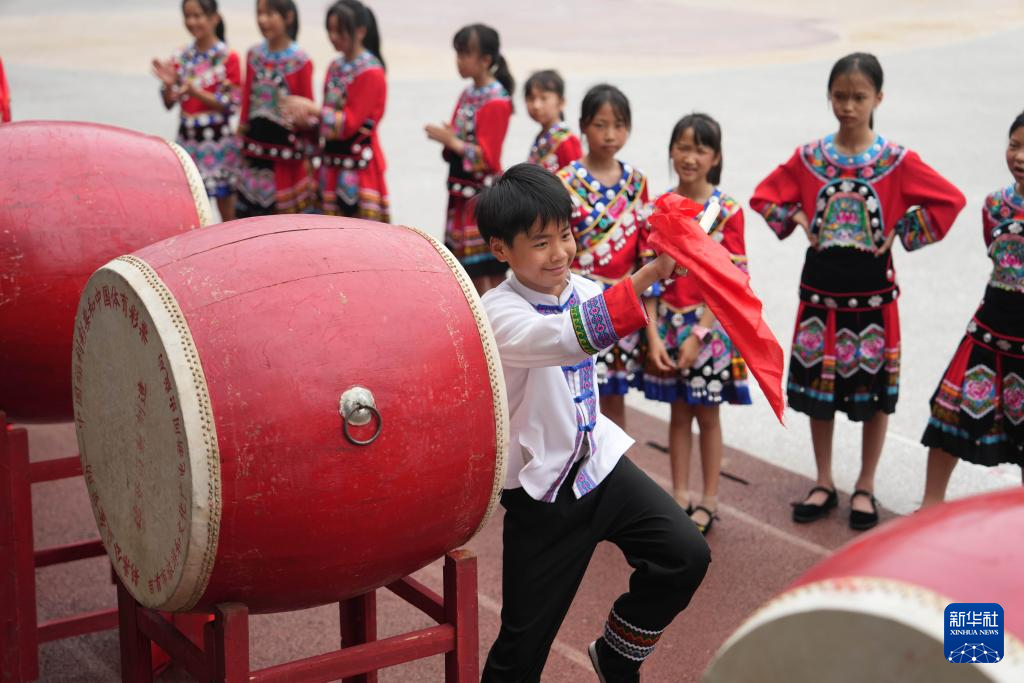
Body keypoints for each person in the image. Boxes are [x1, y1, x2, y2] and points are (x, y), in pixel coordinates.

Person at [477, 163, 710, 683]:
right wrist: (648, 277)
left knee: (685, 554)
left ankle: (617, 654)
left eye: (565, 235)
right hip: (542, 493)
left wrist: (673, 261)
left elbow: (609, 303)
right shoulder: (497, 312)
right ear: (501, 249)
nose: (560, 253)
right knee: (521, 650)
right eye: (541, 243)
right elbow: (566, 337)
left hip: (598, 467)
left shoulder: (579, 287)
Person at [750, 52, 966, 530]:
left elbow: (951, 200)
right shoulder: (809, 158)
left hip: (874, 296)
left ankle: (865, 484)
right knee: (818, 390)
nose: (848, 106)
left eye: (858, 97)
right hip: (820, 293)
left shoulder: (896, 161)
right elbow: (763, 196)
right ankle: (824, 479)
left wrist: (903, 230)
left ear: (878, 99)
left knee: (874, 394)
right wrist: (797, 217)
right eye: (840, 96)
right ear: (829, 96)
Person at [636, 113, 750, 534]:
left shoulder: (727, 211)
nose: (690, 157)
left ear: (715, 157)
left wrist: (699, 335)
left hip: (709, 330)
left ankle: (709, 500)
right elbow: (648, 277)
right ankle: (679, 496)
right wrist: (652, 334)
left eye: (700, 149)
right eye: (683, 147)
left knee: (708, 415)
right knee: (678, 414)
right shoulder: (660, 207)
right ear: (671, 150)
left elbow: (732, 280)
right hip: (666, 324)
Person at [920, 111, 1024, 507]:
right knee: (949, 416)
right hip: (989, 328)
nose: (1020, 157)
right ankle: (931, 505)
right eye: (1014, 145)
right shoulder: (996, 205)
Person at [557, 84, 651, 430]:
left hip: (622, 300)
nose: (610, 134)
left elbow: (646, 249)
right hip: (578, 301)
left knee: (614, 394)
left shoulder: (637, 183)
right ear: (583, 125)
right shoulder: (564, 181)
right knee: (573, 392)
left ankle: (613, 459)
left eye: (619, 125)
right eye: (600, 125)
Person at [425, 23, 513, 294]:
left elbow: (488, 157)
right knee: (466, 270)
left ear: (485, 60)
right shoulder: (468, 94)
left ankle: (492, 318)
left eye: (465, 54)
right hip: (461, 193)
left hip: (480, 196)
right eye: (458, 54)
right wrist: (450, 139)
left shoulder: (496, 100)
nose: (459, 61)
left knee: (486, 272)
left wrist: (452, 141)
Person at [281, 0, 389, 220]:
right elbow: (330, 116)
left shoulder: (372, 72)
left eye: (340, 31)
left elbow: (350, 122)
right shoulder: (335, 67)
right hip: (331, 164)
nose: (333, 37)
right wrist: (305, 121)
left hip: (358, 169)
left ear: (360, 31)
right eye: (330, 30)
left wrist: (314, 110)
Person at [152, 0, 241, 221]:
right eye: (188, 16)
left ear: (214, 18)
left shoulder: (228, 57)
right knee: (192, 212)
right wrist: (169, 87)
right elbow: (169, 104)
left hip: (218, 142)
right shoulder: (181, 56)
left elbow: (231, 104)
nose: (192, 22)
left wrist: (195, 92)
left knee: (227, 213)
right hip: (188, 141)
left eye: (198, 15)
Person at [235, 0, 316, 217]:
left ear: (288, 17)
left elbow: (307, 110)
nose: (262, 20)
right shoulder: (254, 55)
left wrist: (309, 154)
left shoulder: (301, 61)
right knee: (249, 220)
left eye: (270, 14)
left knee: (286, 222)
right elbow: (247, 102)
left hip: (286, 157)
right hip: (254, 150)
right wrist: (240, 137)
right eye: (259, 13)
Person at [523, 69, 582, 173]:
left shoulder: (567, 141)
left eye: (543, 98)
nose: (536, 105)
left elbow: (576, 177)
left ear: (561, 102)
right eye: (531, 99)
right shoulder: (542, 135)